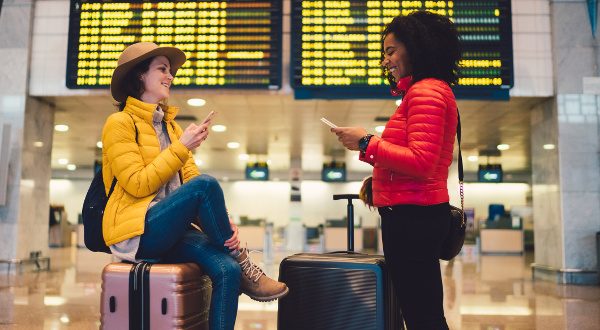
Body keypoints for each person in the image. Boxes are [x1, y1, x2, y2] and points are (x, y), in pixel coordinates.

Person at [101, 42, 288, 330]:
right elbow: (137, 184)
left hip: (172, 229)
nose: (170, 76)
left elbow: (190, 183)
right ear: (139, 75)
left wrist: (227, 224)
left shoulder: (171, 127)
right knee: (206, 185)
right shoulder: (119, 123)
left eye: (170, 71)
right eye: (162, 69)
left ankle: (239, 263)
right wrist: (181, 147)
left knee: (226, 270)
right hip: (137, 232)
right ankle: (245, 262)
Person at [332, 11, 461, 329]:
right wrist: (376, 177)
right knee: (422, 311)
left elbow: (420, 161)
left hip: (413, 219)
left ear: (415, 47)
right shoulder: (427, 91)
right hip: (416, 214)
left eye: (391, 51)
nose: (385, 61)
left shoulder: (425, 92)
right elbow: (419, 161)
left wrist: (366, 141)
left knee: (423, 315)